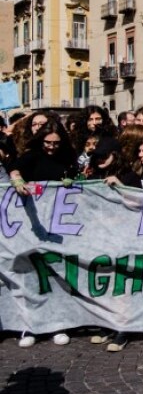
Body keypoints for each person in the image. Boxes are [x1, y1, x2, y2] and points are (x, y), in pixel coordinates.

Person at [10, 120, 78, 348]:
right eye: (48, 142)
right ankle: (29, 326)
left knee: (56, 274)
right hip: (31, 222)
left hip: (58, 224)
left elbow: (77, 176)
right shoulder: (32, 155)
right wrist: (17, 179)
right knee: (29, 274)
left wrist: (73, 181)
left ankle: (57, 324)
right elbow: (15, 168)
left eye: (56, 143)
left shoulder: (68, 157)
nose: (51, 147)